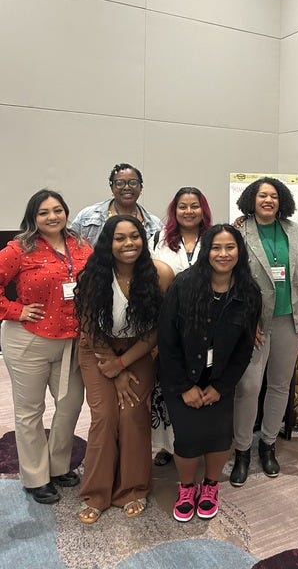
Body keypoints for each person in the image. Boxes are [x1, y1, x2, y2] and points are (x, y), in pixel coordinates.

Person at [158, 224, 261, 522]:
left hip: (219, 380)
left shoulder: (248, 292)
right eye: (216, 247)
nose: (223, 254)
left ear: (239, 252)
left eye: (230, 247)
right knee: (188, 437)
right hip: (182, 377)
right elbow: (167, 340)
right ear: (206, 251)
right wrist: (184, 386)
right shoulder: (184, 285)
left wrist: (222, 386)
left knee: (219, 436)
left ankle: (211, 485)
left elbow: (244, 348)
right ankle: (187, 487)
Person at [74, 216, 173, 524]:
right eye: (120, 238)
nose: (129, 243)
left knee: (132, 414)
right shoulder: (93, 275)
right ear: (108, 242)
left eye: (134, 237)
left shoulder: (158, 274)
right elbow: (89, 328)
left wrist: (123, 363)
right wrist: (114, 370)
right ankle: (97, 493)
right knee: (105, 417)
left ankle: (133, 489)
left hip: (137, 350)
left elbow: (157, 330)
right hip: (98, 349)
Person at [0, 189, 92, 504]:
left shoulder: (81, 245)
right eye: (44, 212)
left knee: (69, 406)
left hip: (70, 340)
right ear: (33, 217)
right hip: (28, 339)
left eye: (57, 210)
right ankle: (36, 476)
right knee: (30, 411)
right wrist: (16, 310)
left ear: (66, 212)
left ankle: (59, 466)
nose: (52, 217)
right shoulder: (19, 249)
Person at [230, 177, 298, 486]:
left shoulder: (295, 231)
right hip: (255, 324)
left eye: (274, 196)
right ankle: (242, 449)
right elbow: (231, 278)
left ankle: (268, 443)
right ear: (252, 198)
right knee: (248, 387)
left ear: (282, 201)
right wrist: (247, 323)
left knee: (280, 385)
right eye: (262, 195)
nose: (268, 200)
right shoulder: (238, 231)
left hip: (289, 319)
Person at [150, 186, 213, 465]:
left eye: (194, 206)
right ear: (174, 211)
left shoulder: (214, 239)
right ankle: (167, 446)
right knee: (168, 383)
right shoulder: (157, 239)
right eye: (183, 207)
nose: (189, 211)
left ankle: (200, 442)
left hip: (206, 324)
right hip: (168, 323)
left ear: (203, 210)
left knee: (202, 381)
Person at [70, 163, 162, 246]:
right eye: (119, 183)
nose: (126, 187)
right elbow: (69, 247)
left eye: (133, 183)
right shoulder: (87, 216)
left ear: (141, 188)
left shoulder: (155, 225)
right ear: (112, 188)